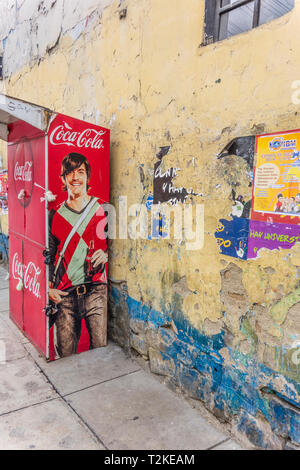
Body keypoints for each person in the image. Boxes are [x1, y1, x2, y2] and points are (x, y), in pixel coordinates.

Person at [48, 153, 108, 358]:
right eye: (70, 172)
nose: (75, 177)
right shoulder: (54, 215)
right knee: (66, 355)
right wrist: (49, 289)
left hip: (96, 291)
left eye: (80, 172)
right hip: (65, 296)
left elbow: (116, 246)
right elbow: (48, 256)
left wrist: (106, 254)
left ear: (88, 177)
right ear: (63, 178)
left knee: (100, 350)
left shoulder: (103, 208)